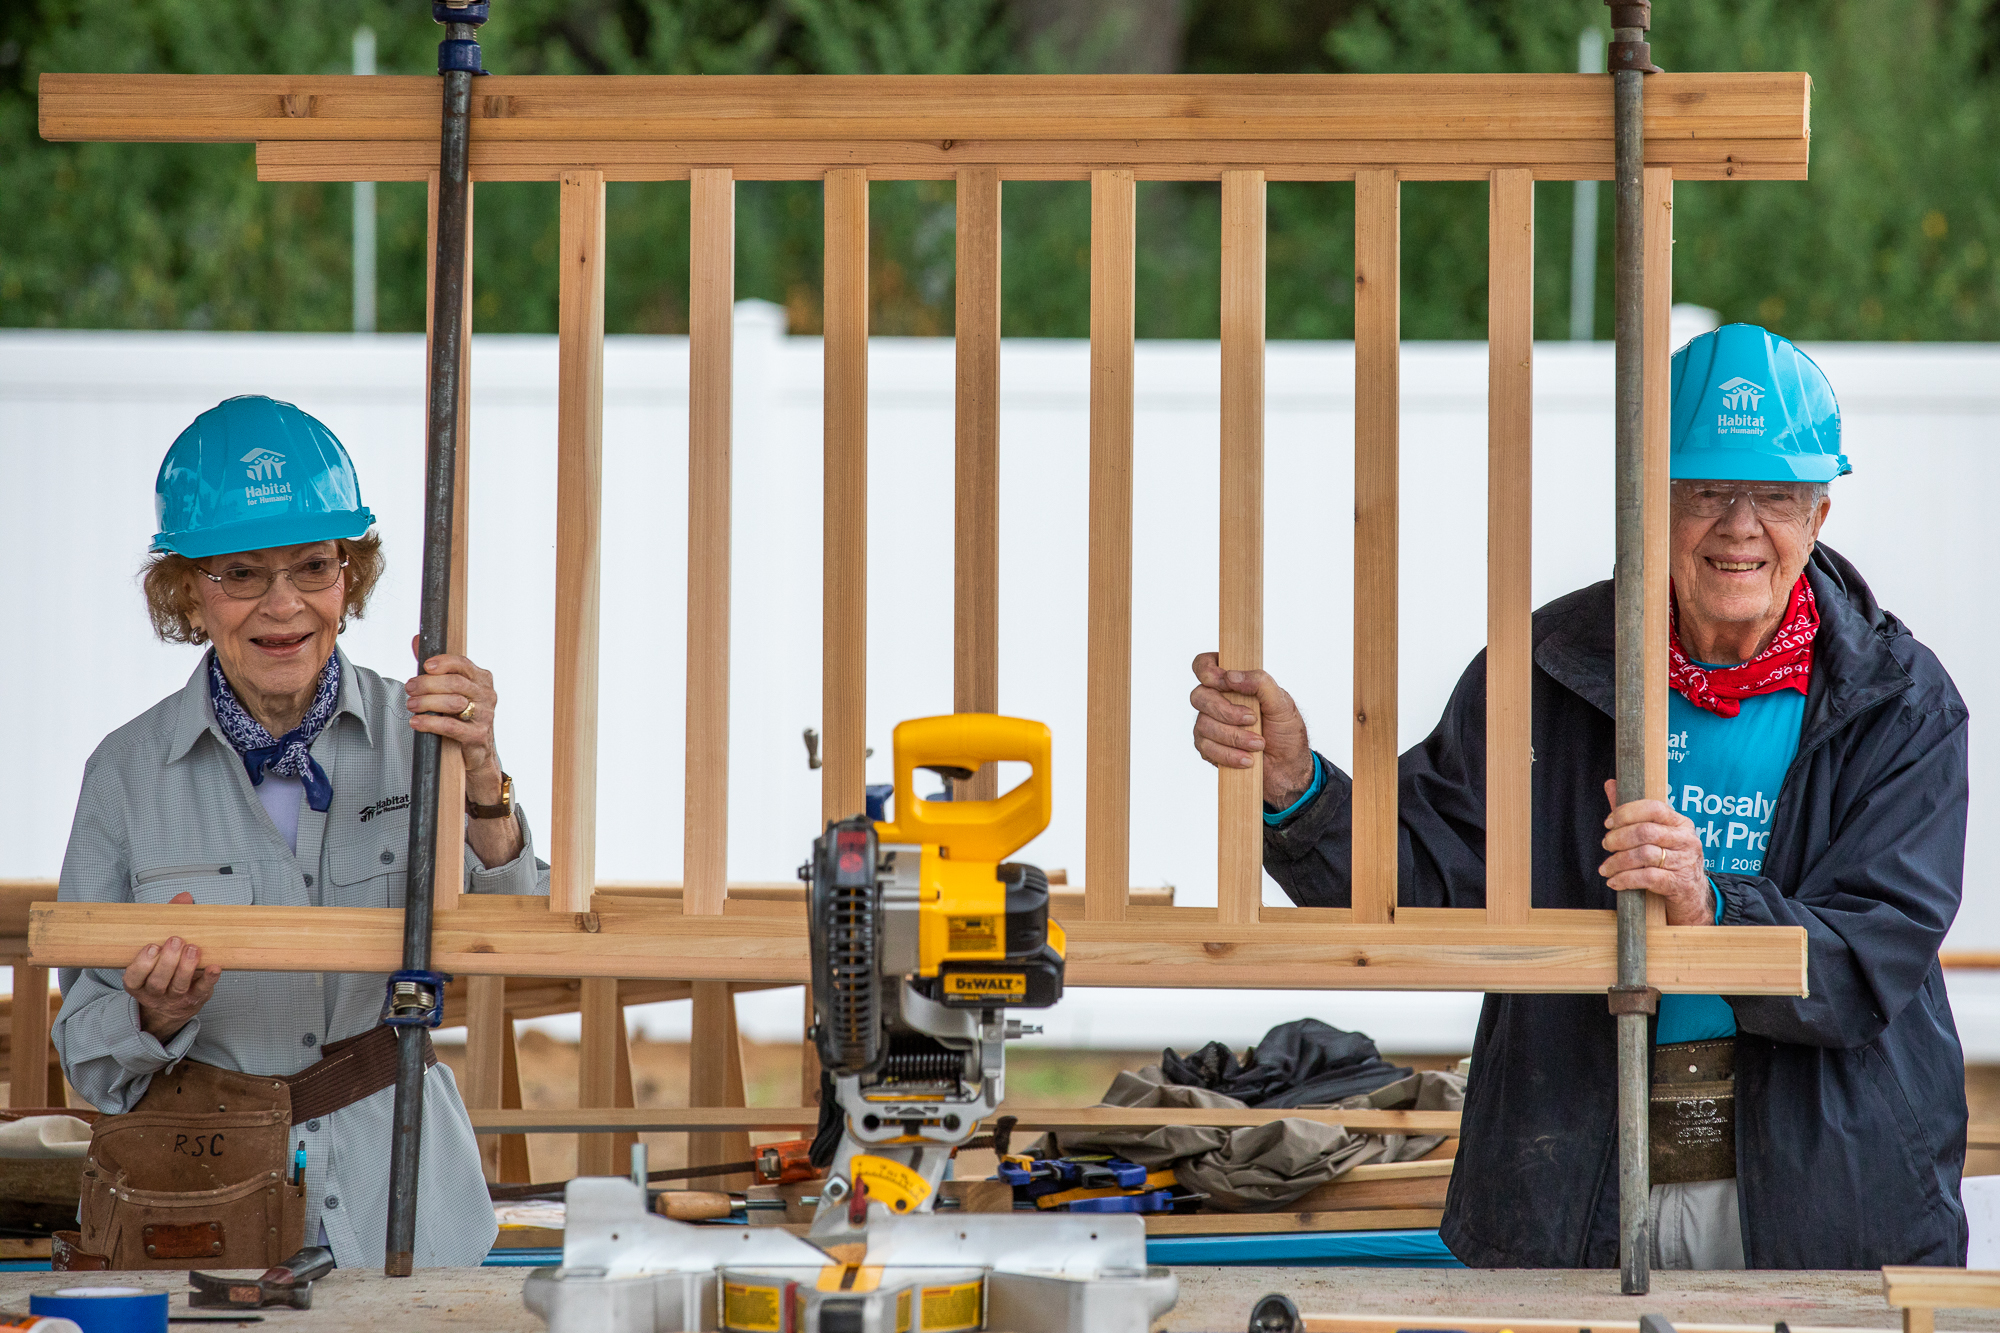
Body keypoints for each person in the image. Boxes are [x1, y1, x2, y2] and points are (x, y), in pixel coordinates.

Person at [1189, 325, 1968, 1269]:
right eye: (1707, 490)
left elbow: (1872, 953)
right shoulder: (1547, 669)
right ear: (1648, 502)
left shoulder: (1899, 699)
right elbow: (1427, 878)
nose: (1739, 525)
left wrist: (1709, 909)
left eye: (1772, 494)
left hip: (1827, 1197)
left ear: (1820, 513)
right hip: (1580, 1184)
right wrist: (1298, 788)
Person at [53, 395, 550, 1269]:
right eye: (241, 573)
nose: (283, 606)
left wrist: (481, 780)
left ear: (348, 577)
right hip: (202, 1218)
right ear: (186, 592)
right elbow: (87, 1056)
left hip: (409, 1201)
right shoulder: (124, 775)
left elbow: (525, 939)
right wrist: (148, 1013)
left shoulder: (425, 740)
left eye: (312, 566)